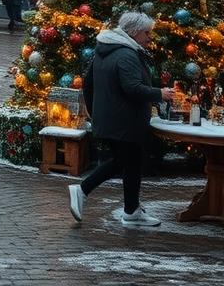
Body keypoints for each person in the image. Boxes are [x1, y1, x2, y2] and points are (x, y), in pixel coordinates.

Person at [67, 12, 174, 227]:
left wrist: (95, 113)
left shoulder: (105, 51)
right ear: (134, 33)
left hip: (112, 118)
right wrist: (159, 94)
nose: (149, 37)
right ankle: (83, 189)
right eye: (147, 33)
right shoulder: (126, 54)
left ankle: (131, 211)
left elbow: (88, 85)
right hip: (124, 120)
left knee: (131, 163)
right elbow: (132, 88)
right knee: (123, 161)